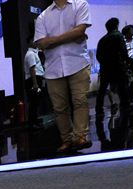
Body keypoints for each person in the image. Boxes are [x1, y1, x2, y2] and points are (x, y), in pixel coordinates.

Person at [34, 0, 92, 153]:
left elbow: (80, 31)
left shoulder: (80, 4)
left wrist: (52, 40)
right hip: (53, 68)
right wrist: (72, 35)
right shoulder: (43, 16)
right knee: (59, 108)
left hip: (78, 62)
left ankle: (80, 136)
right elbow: (42, 44)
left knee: (80, 101)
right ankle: (67, 140)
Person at [95, 18, 130, 120]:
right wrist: (126, 63)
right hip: (118, 67)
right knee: (122, 88)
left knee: (102, 89)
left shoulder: (102, 39)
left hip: (105, 68)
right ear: (116, 25)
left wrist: (105, 63)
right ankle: (125, 108)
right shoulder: (118, 36)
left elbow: (98, 56)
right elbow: (123, 52)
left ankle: (99, 109)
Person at [24, 37, 47, 126]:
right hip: (33, 80)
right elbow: (32, 69)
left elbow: (41, 49)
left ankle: (35, 122)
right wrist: (35, 84)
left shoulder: (34, 52)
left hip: (37, 78)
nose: (36, 42)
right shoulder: (30, 54)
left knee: (36, 103)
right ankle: (32, 124)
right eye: (34, 41)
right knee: (33, 103)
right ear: (30, 42)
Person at [122, 25, 133, 100]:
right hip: (126, 62)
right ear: (126, 33)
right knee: (126, 81)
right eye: (131, 30)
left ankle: (130, 96)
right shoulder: (123, 41)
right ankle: (127, 98)